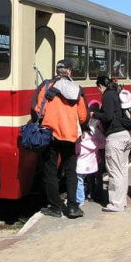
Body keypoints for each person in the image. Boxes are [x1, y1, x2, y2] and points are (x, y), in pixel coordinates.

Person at [31, 59, 88, 219]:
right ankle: (72, 208)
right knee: (70, 171)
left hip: (50, 134)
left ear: (57, 71)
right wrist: (80, 128)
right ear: (69, 71)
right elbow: (83, 116)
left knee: (50, 172)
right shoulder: (77, 89)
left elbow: (37, 110)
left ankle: (55, 208)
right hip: (69, 136)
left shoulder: (46, 86)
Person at [90, 76, 131, 212]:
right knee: (122, 171)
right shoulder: (118, 93)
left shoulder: (108, 95)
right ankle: (122, 201)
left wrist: (93, 115)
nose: (98, 90)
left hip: (115, 137)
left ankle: (115, 204)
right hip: (126, 135)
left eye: (98, 87)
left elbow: (107, 116)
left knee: (114, 172)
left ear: (102, 85)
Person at [75, 101, 105, 207]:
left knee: (86, 178)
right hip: (96, 157)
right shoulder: (99, 125)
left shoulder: (81, 142)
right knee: (98, 176)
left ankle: (87, 194)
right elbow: (102, 142)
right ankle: (98, 194)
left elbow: (76, 152)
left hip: (83, 162)